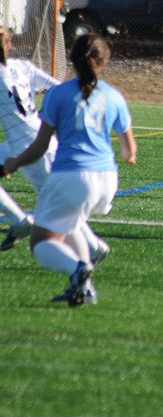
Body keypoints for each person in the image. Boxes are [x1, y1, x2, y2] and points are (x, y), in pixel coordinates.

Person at [4, 33, 137, 306]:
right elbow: (129, 153)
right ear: (103, 62)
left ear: (72, 60)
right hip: (107, 181)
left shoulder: (58, 94)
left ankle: (79, 268)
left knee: (40, 242)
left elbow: (40, 147)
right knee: (71, 220)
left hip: (73, 176)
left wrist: (15, 162)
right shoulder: (114, 96)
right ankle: (84, 288)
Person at [0, 26, 110, 266]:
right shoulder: (23, 67)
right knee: (60, 204)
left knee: (60, 207)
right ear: (9, 46)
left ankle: (95, 248)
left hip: (30, 149)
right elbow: (59, 88)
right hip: (36, 138)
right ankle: (18, 221)